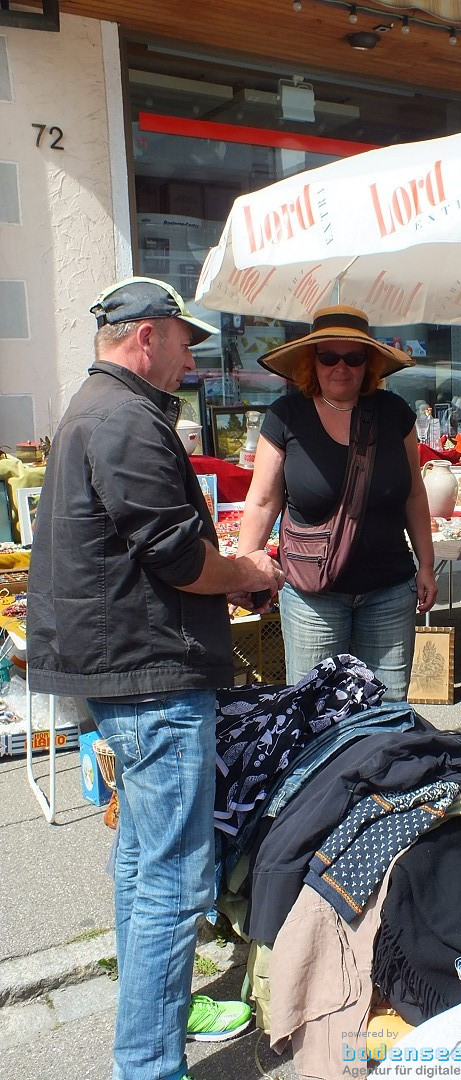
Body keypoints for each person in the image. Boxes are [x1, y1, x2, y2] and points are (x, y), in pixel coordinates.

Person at [26, 277, 285, 1080]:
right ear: (147, 336)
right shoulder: (126, 417)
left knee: (143, 862)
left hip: (122, 666)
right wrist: (243, 566)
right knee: (175, 879)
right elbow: (173, 555)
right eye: (185, 341)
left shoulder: (100, 410)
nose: (192, 359)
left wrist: (229, 574)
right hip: (149, 675)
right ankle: (147, 1061)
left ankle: (156, 1014)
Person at [235, 305, 438, 700]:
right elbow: (261, 501)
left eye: (353, 357)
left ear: (369, 363)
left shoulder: (394, 412)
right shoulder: (285, 416)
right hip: (313, 596)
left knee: (385, 713)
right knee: (315, 716)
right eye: (328, 356)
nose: (340, 367)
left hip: (391, 590)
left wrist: (427, 564)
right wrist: (248, 566)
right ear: (312, 362)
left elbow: (414, 492)